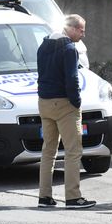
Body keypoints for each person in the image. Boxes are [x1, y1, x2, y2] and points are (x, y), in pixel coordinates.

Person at [37, 14, 96, 209]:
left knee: (48, 151)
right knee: (73, 151)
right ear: (69, 28)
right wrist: (76, 102)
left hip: (44, 101)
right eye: (81, 30)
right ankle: (73, 197)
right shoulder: (70, 49)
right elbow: (72, 79)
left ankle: (44, 197)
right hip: (64, 103)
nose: (83, 34)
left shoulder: (43, 45)